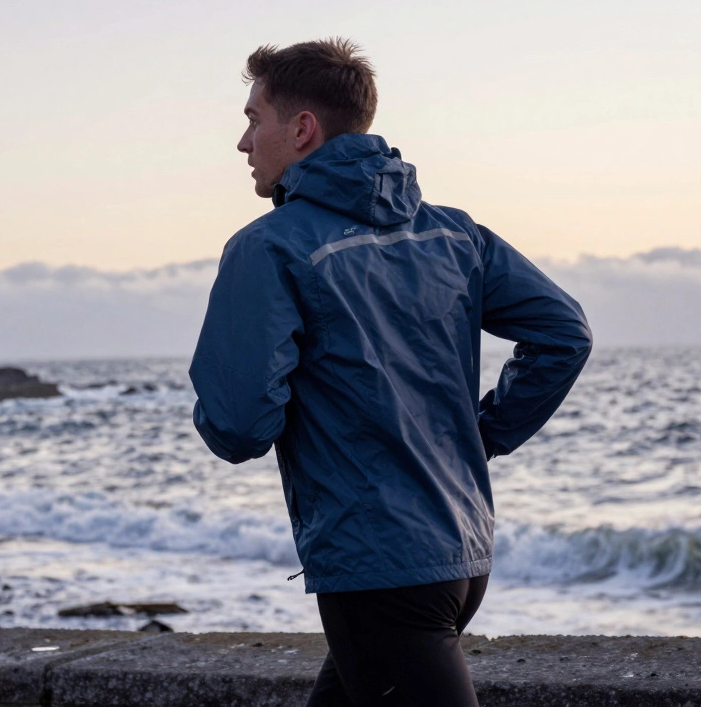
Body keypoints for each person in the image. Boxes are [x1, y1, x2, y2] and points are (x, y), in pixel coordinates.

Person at [189, 39, 592, 706]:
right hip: (461, 550)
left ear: (302, 129)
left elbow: (238, 428)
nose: (242, 141)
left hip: (377, 569)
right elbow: (564, 334)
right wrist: (476, 436)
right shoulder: (454, 234)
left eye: (253, 119)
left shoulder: (270, 247)